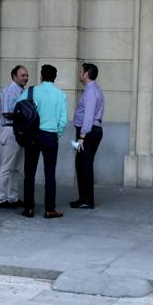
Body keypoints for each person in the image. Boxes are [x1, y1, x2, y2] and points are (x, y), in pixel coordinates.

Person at [16, 63, 67, 219]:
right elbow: (63, 120)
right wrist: (56, 133)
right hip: (50, 136)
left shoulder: (31, 91)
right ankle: (49, 209)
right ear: (54, 77)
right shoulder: (61, 95)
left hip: (33, 135)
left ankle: (29, 208)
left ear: (41, 76)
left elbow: (16, 107)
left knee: (29, 173)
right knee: (50, 174)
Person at [71, 62, 104, 209]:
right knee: (84, 164)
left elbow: (88, 116)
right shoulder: (94, 89)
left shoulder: (90, 91)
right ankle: (84, 198)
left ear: (86, 74)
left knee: (83, 165)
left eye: (80, 72)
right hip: (90, 131)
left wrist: (82, 136)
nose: (79, 74)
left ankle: (86, 200)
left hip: (87, 132)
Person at [0, 65, 29, 209]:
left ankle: (13, 197)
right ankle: (1, 198)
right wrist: (26, 115)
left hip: (20, 131)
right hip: (10, 131)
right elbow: (6, 113)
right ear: (14, 76)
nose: (25, 78)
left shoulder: (22, 91)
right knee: (6, 167)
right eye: (22, 75)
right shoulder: (9, 91)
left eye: (26, 75)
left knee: (17, 168)